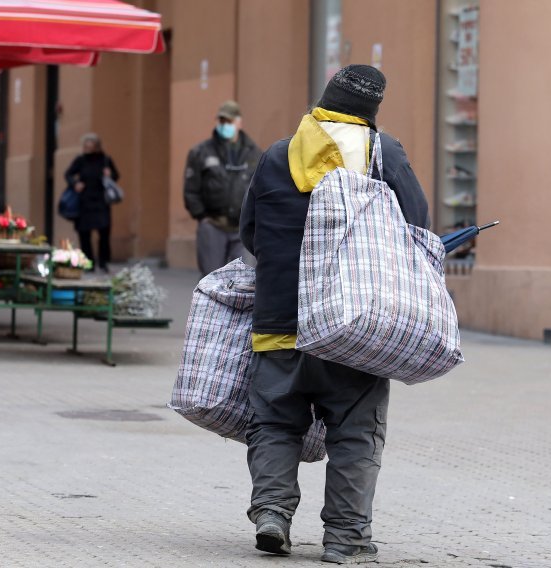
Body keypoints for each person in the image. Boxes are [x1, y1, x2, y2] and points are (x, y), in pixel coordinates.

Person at [239, 65, 430, 564]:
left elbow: (249, 232)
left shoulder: (279, 154)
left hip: (279, 320)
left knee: (275, 422)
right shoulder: (383, 153)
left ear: (323, 100)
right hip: (353, 324)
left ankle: (272, 514)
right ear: (373, 111)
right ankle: (346, 541)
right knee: (354, 430)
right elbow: (418, 225)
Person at [184, 100, 261, 276]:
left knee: (242, 280)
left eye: (229, 121)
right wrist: (201, 216)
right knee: (210, 281)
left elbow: (260, 188)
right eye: (222, 121)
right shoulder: (201, 152)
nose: (225, 125)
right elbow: (191, 188)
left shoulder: (255, 154)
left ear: (239, 123)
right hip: (212, 224)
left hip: (242, 230)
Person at [64, 133, 119, 273]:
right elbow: (68, 174)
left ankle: (103, 262)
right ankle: (89, 263)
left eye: (90, 146)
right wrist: (75, 183)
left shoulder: (105, 160)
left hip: (101, 201)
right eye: (85, 146)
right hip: (84, 201)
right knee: (84, 234)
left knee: (104, 233)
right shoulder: (80, 160)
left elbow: (116, 176)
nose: (87, 149)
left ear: (96, 147)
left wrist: (110, 175)